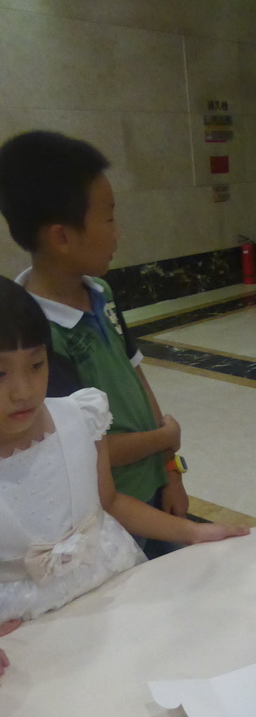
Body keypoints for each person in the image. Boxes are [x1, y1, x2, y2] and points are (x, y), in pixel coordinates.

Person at [0, 278, 249, 628]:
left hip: (110, 586)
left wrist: (192, 532)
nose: (23, 391)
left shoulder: (80, 417)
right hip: (23, 623)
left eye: (36, 365)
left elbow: (111, 502)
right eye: (0, 373)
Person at [0, 130, 189, 538]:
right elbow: (83, 443)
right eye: (108, 217)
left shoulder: (101, 293)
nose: (117, 231)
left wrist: (172, 470)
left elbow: (138, 379)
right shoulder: (34, 339)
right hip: (111, 512)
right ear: (62, 237)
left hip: (155, 485)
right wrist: (163, 438)